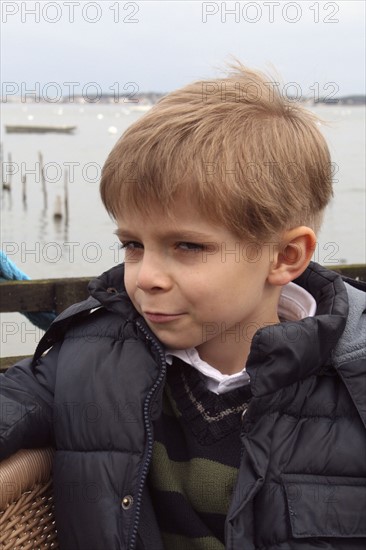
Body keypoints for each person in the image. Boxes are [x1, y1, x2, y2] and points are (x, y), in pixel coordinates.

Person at [1, 62, 365, 550]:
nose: (146, 277)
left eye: (187, 246)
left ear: (284, 256)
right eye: (132, 243)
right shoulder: (90, 358)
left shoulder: (352, 382)